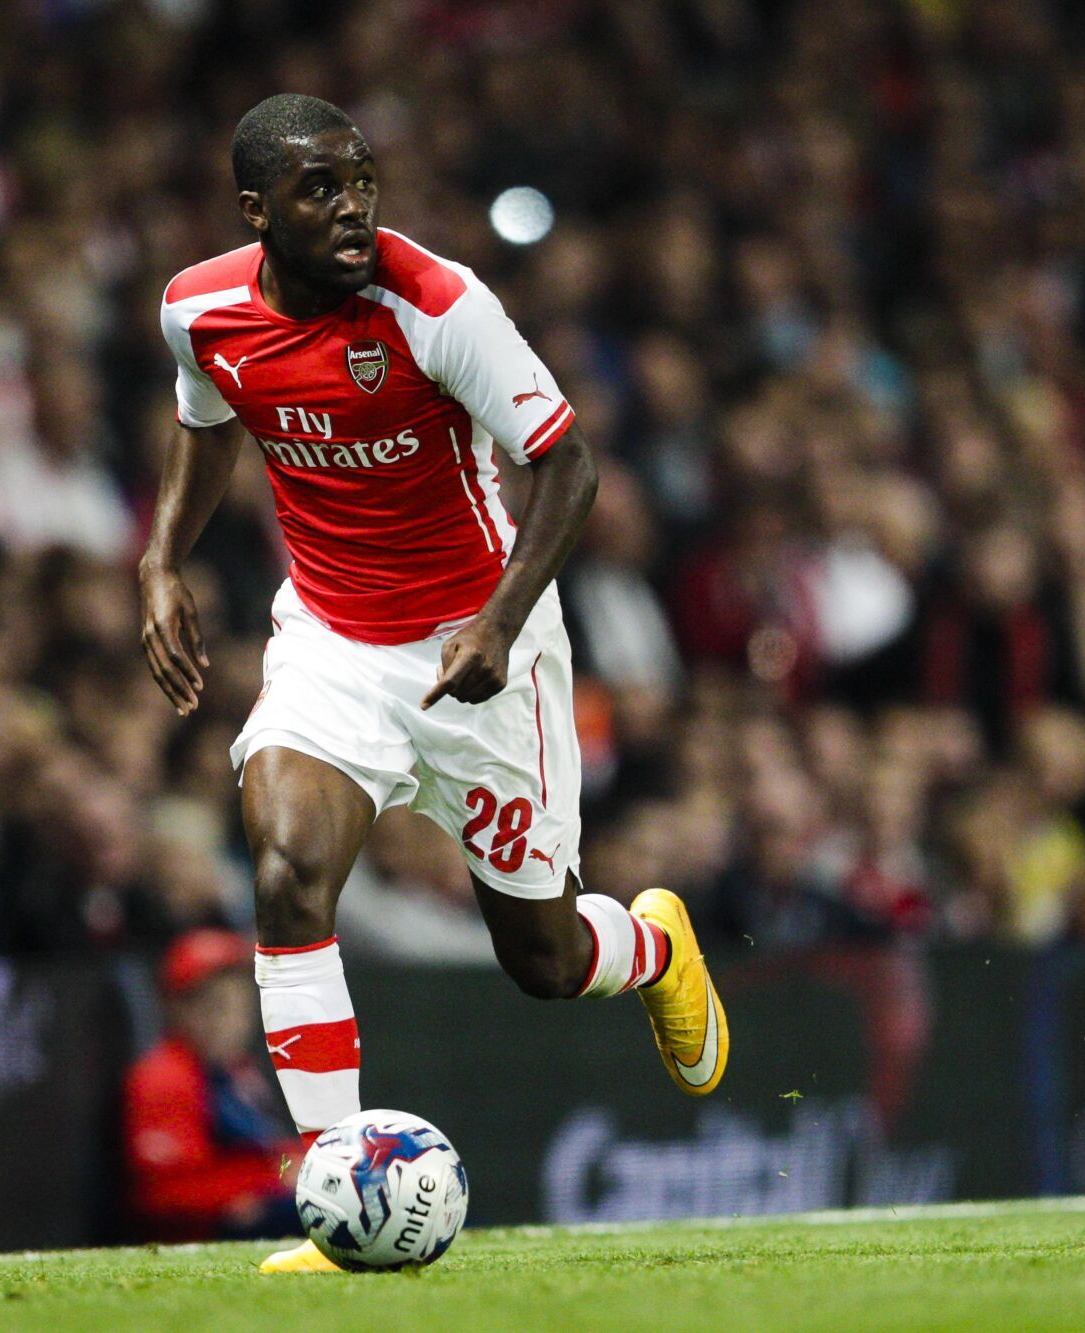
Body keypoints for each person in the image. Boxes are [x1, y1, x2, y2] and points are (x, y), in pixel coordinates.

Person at [138, 94, 728, 1273]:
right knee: (288, 870)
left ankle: (654, 945)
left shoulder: (437, 303)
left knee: (544, 962)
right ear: (257, 211)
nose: (353, 206)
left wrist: (500, 624)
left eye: (361, 179)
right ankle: (335, 1189)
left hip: (481, 644)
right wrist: (160, 558)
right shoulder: (197, 310)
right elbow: (210, 425)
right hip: (333, 643)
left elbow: (565, 464)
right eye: (320, 189)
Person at [123, 929, 297, 1241]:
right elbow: (165, 1192)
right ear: (177, 1009)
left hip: (261, 1210)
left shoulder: (239, 1070)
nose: (231, 1021)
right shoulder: (165, 1076)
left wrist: (299, 1169)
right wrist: (267, 1184)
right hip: (209, 1232)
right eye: (216, 1006)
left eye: (239, 1005)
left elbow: (270, 1154)